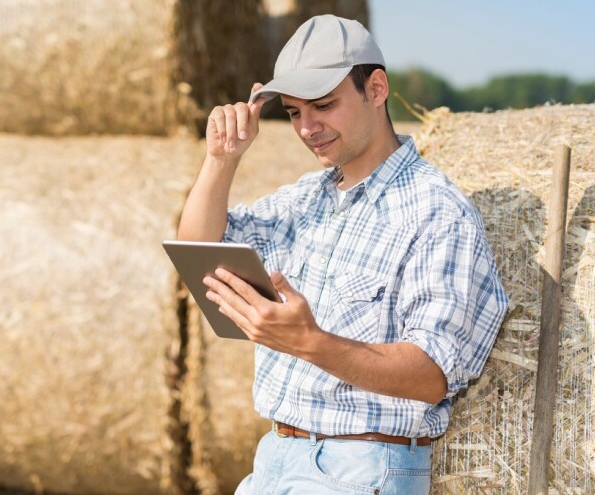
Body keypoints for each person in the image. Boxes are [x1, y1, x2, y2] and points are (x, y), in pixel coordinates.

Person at [177, 14, 508, 495]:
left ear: (376, 89)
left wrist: (309, 341)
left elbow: (432, 373)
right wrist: (221, 160)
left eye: (323, 106)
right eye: (293, 113)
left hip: (360, 470)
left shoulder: (436, 212)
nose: (307, 127)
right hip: (273, 459)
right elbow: (200, 252)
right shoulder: (304, 199)